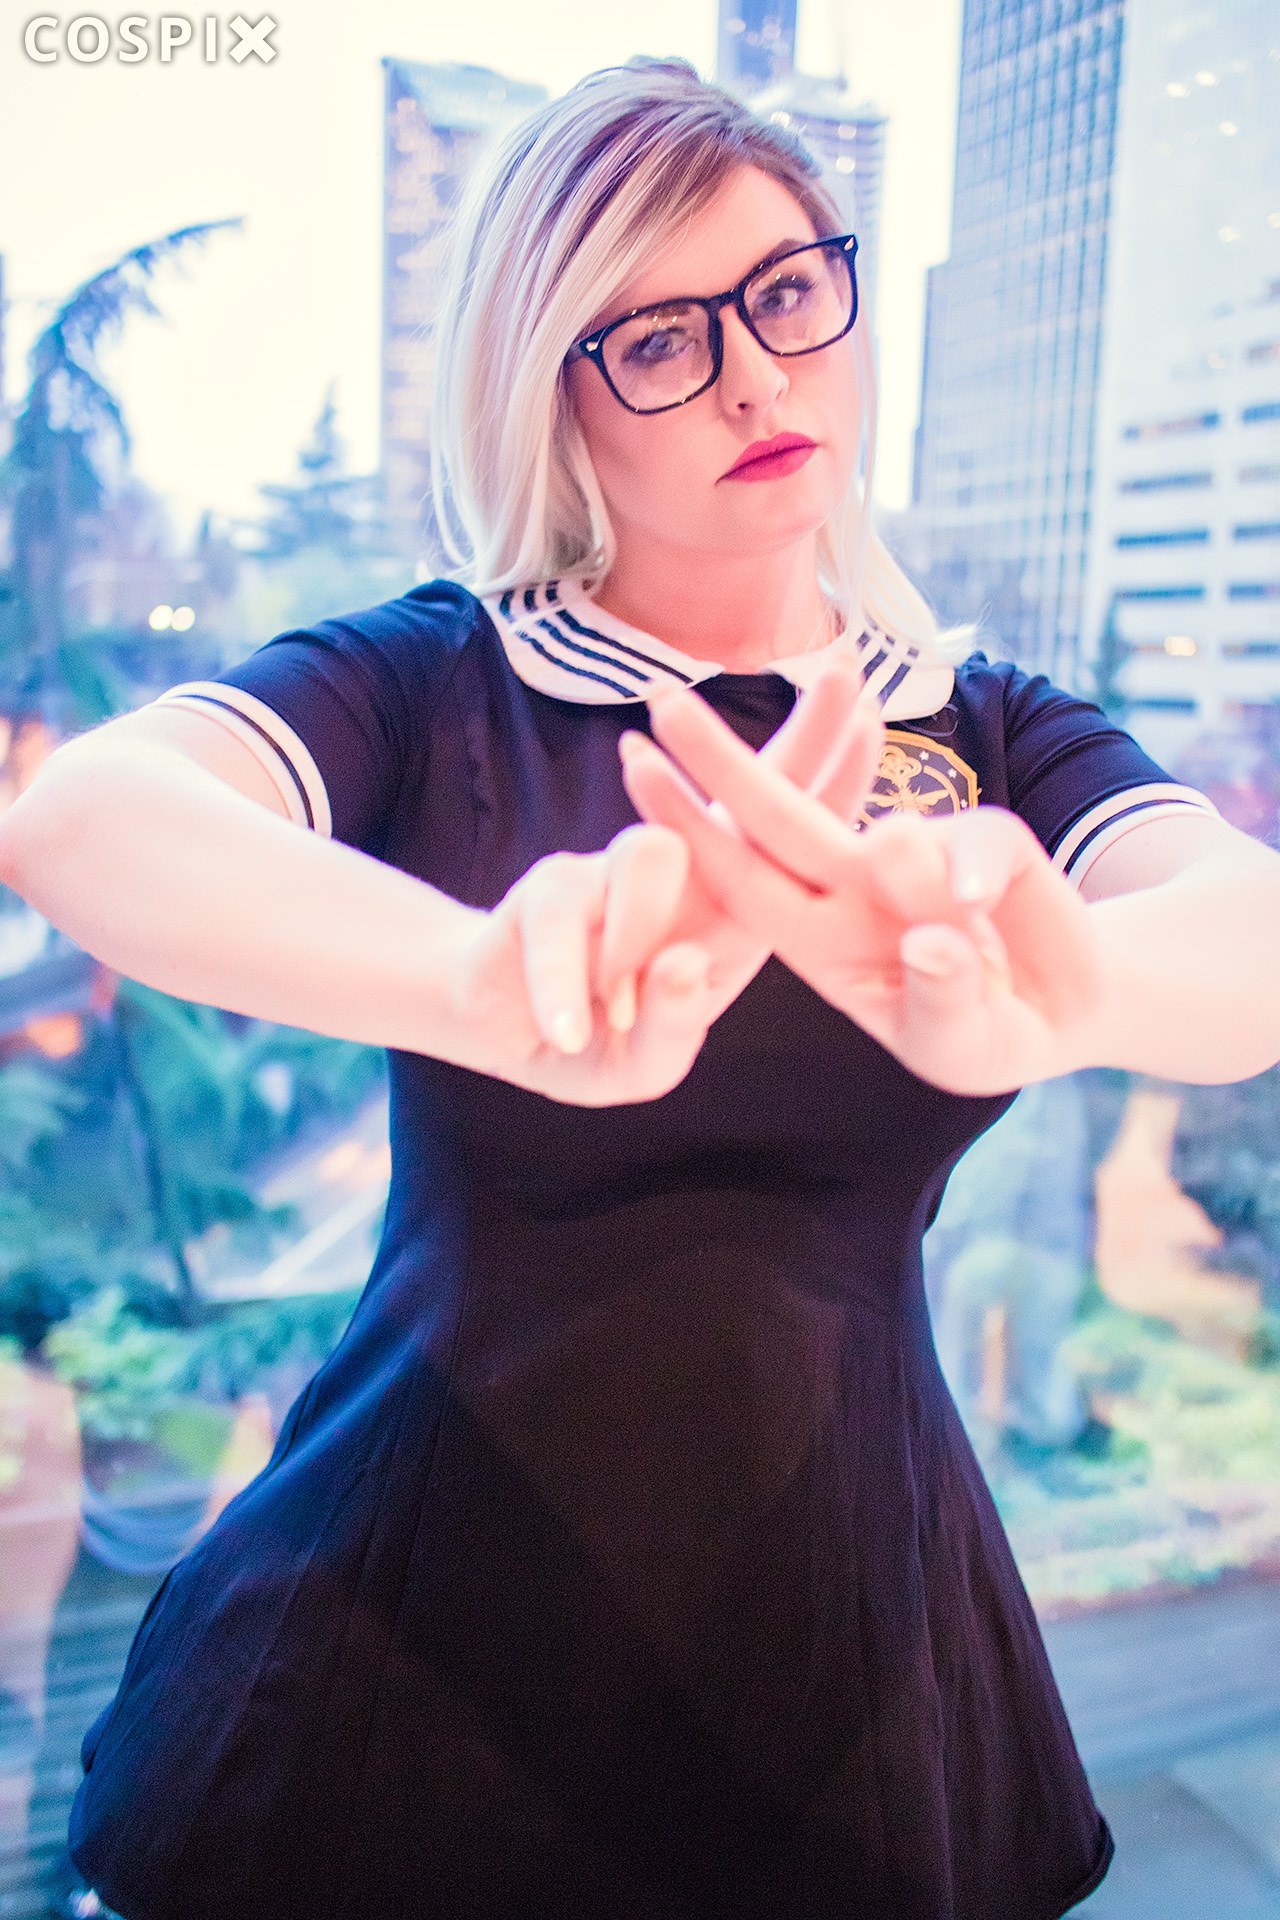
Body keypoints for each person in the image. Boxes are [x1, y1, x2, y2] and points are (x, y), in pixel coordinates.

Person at [4, 57, 1280, 1920]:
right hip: (415, 1616)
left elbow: (1247, 944)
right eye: (660, 338)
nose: (756, 375)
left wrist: (1067, 985)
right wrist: (476, 978)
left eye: (786, 292)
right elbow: (90, 821)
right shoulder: (446, 681)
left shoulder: (988, 728)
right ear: (555, 399)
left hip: (859, 1616)